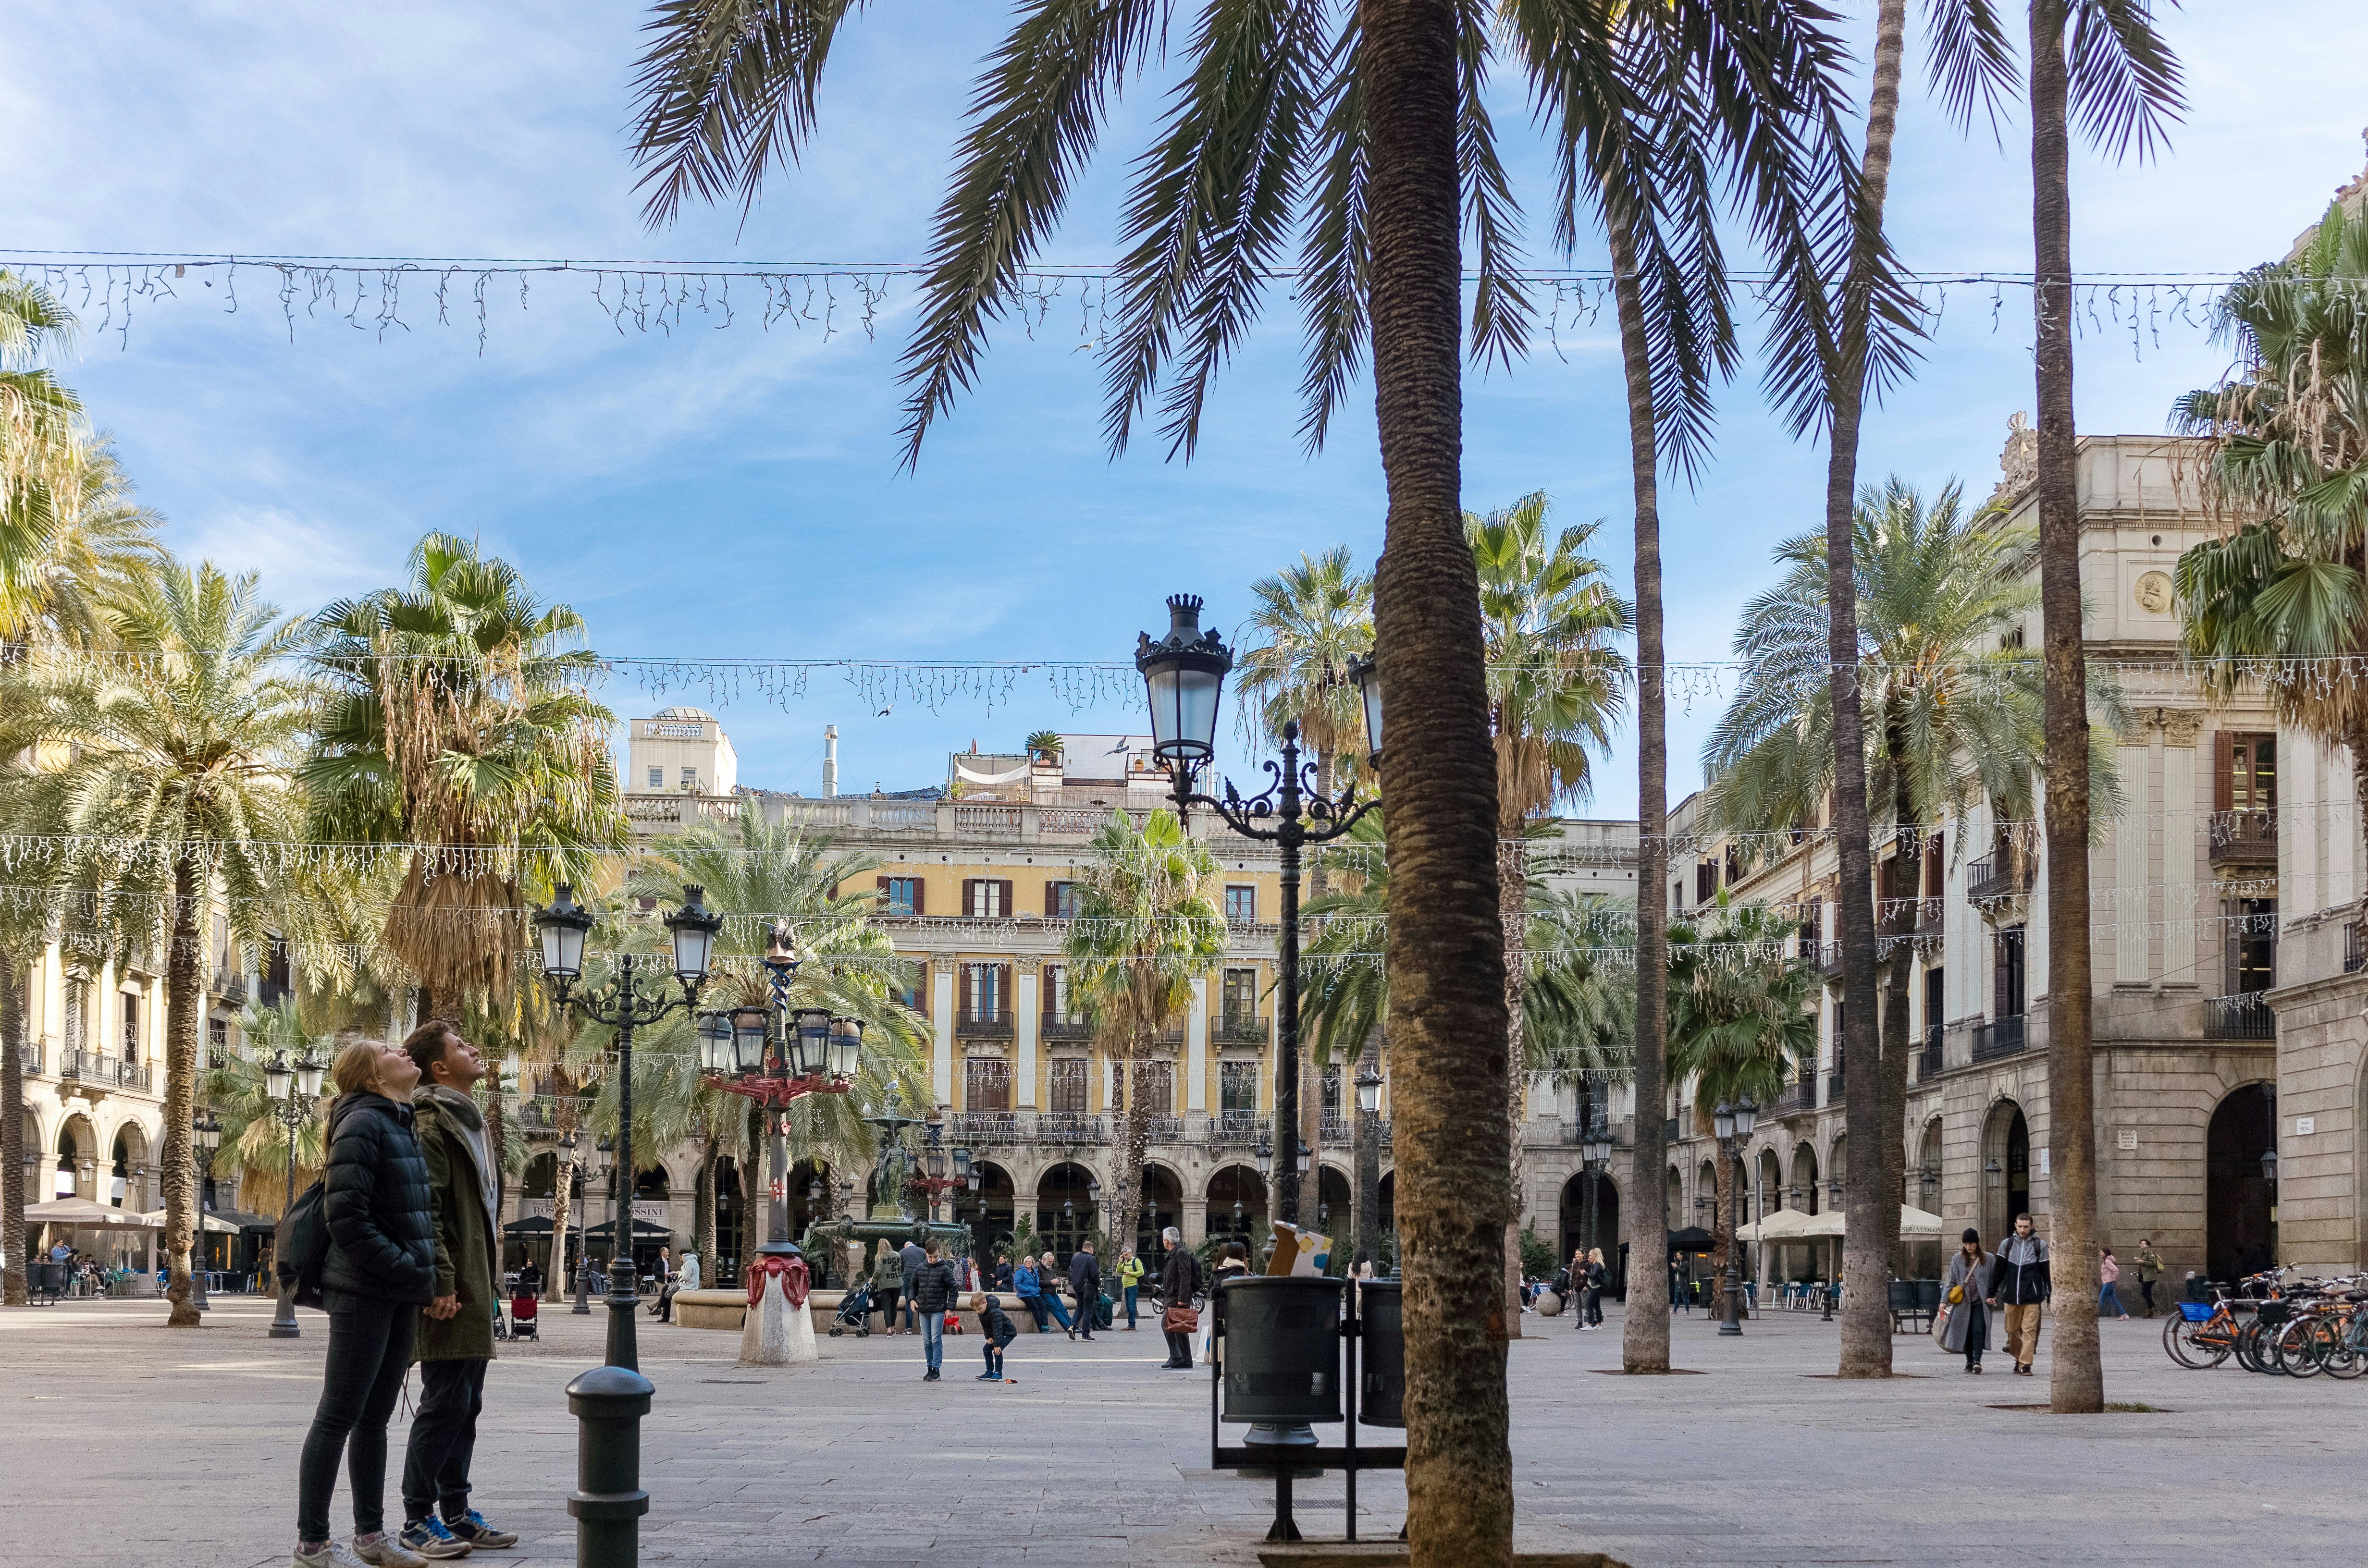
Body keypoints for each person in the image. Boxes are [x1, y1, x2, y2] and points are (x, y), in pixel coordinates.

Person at [294, 1040, 437, 1568]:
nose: (402, 1050)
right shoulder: (362, 1123)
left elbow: (415, 1214)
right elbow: (346, 1217)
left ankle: (371, 1537)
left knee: (375, 1419)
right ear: (371, 1076)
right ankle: (312, 1543)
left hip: (399, 1289)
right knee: (337, 1415)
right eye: (386, 1049)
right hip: (363, 1289)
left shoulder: (400, 1120)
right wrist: (402, 1265)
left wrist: (419, 1275)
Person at [396, 1020, 517, 1559]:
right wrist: (441, 1282)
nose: (474, 1049)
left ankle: (458, 1512)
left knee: (466, 1402)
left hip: (473, 1279)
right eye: (461, 1047)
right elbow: (429, 1211)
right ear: (439, 1068)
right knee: (445, 1401)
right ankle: (417, 1519)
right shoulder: (432, 1122)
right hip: (451, 1284)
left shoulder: (467, 1119)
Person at [1993, 1212, 2051, 1377]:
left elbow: (2046, 1272)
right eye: (2020, 1226)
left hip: (2032, 1296)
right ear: (2015, 1225)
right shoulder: (2007, 1245)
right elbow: (1998, 1271)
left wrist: (2050, 1294)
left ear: (2032, 1227)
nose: (2023, 1230)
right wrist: (1992, 1292)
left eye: (2026, 1227)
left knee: (2029, 1330)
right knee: (2011, 1331)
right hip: (2011, 1295)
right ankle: (2019, 1358)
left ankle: (2026, 1364)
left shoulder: (2040, 1245)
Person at [1940, 1227, 1995, 1374]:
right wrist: (1943, 1301)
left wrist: (1993, 1295)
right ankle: (1969, 1361)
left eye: (1972, 1243)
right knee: (1966, 1331)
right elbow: (1951, 1281)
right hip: (1963, 1303)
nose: (1969, 1247)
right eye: (1966, 1244)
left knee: (1978, 1330)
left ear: (1977, 1243)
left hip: (1981, 1302)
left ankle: (1977, 1361)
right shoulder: (1957, 1259)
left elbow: (1994, 1280)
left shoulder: (1988, 1259)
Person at [907, 1238, 959, 1381]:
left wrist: (949, 1308)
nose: (933, 1259)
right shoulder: (920, 1269)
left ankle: (936, 1369)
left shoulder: (945, 1269)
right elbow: (913, 1286)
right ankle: (930, 1368)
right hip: (923, 1310)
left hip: (938, 1309)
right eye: (930, 1257)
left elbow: (953, 1289)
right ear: (926, 1254)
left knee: (936, 1339)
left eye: (935, 1256)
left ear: (939, 1253)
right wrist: (911, 1300)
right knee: (926, 1340)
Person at [1157, 1227, 1200, 1370]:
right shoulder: (1174, 1253)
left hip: (1177, 1296)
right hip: (1173, 1295)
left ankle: (1176, 1356)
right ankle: (1186, 1360)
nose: (1163, 1241)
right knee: (1179, 1327)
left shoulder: (1180, 1253)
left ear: (1167, 1240)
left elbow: (1185, 1276)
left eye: (1163, 1239)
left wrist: (1183, 1297)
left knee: (1167, 1323)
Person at [979, 1293, 1019, 1382]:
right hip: (997, 1333)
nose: (978, 1311)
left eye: (979, 1309)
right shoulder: (982, 1311)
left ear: (985, 1303)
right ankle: (989, 1372)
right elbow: (985, 1326)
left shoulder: (994, 1312)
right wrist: (989, 1337)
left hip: (1008, 1333)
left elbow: (998, 1328)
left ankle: (998, 1373)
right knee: (986, 1349)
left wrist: (997, 1345)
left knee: (997, 1351)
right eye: (976, 1310)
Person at [1036, 1250, 1077, 1337]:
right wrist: (1051, 1282)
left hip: (1053, 1292)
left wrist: (1055, 1281)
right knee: (1055, 1309)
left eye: (1052, 1262)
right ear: (1044, 1259)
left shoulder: (1050, 1267)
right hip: (1045, 1293)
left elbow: (1052, 1278)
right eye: (1049, 1262)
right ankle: (1068, 1327)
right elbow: (1038, 1282)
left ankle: (1073, 1325)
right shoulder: (1038, 1267)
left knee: (1063, 1309)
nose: (1051, 1263)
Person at [869, 1238, 904, 1335]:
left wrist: (873, 1279)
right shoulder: (897, 1255)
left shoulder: (879, 1257)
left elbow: (878, 1271)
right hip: (897, 1284)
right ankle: (893, 1327)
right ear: (888, 1244)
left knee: (887, 1308)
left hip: (884, 1285)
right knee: (894, 1306)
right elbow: (901, 1268)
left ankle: (889, 1330)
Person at [1068, 1240, 1101, 1342]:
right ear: (1091, 1249)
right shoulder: (1091, 1259)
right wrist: (1097, 1285)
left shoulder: (1075, 1259)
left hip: (1077, 1287)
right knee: (1088, 1310)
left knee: (1080, 1308)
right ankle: (1085, 1335)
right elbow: (1095, 1275)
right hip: (1088, 1287)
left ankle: (1072, 1326)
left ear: (1083, 1248)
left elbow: (1073, 1272)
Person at [1012, 1254, 1049, 1332]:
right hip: (1025, 1294)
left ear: (1032, 1263)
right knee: (1035, 1308)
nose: (1028, 1263)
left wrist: (1037, 1289)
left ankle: (1046, 1325)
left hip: (1035, 1293)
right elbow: (1017, 1285)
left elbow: (1037, 1283)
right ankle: (1041, 1328)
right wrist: (1029, 1289)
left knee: (1043, 1306)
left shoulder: (1034, 1272)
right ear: (1024, 1262)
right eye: (1027, 1261)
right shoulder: (1020, 1272)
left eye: (1030, 1261)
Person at [899, 1235, 926, 1333]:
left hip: (908, 1276)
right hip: (920, 1276)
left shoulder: (902, 1252)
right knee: (920, 1301)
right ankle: (922, 1329)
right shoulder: (922, 1251)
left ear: (906, 1246)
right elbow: (926, 1264)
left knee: (909, 1301)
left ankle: (908, 1328)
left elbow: (900, 1266)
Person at [1115, 1246, 1144, 1330]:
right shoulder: (1125, 1262)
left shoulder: (1136, 1261)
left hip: (1133, 1285)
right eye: (1124, 1255)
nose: (1125, 1257)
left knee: (1132, 1306)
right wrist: (1120, 1262)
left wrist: (1131, 1274)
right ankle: (1130, 1324)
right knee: (1128, 1306)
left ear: (1130, 1253)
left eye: (1126, 1255)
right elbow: (1118, 1271)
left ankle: (1132, 1325)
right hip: (1126, 1286)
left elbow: (1141, 1272)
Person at [2097, 1247, 2129, 1320]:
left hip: (2108, 1282)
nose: (2100, 1254)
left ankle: (2095, 1315)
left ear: (2105, 1253)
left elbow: (2116, 1270)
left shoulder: (2107, 1261)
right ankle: (2124, 1314)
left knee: (2101, 1299)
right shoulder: (2106, 1261)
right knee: (2113, 1299)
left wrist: (2113, 1280)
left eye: (2101, 1252)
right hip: (2108, 1282)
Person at [2135, 1239, 2163, 1318]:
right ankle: (2151, 1312)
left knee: (2144, 1293)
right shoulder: (2143, 1254)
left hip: (2150, 1277)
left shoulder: (2150, 1253)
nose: (2142, 1245)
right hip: (2144, 1276)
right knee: (2148, 1293)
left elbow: (2153, 1263)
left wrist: (2142, 1262)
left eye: (2144, 1244)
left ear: (2148, 1245)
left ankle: (2156, 1309)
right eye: (2141, 1244)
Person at [1583, 1249, 1607, 1329]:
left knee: (1590, 1306)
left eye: (1590, 1256)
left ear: (1595, 1256)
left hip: (1595, 1288)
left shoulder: (1597, 1265)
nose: (1589, 1257)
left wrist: (1585, 1273)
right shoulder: (1596, 1265)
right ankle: (1599, 1324)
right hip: (1596, 1287)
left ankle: (1590, 1325)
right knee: (1597, 1306)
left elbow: (1593, 1276)